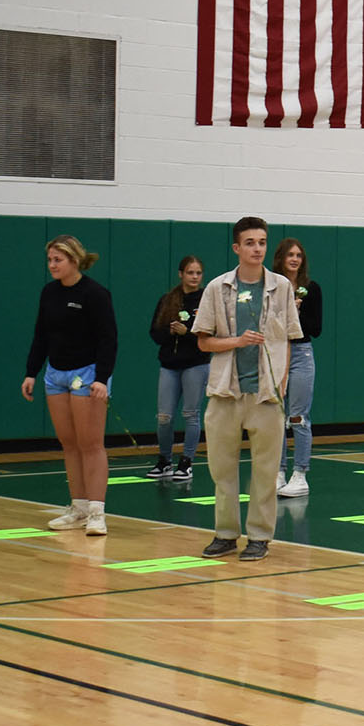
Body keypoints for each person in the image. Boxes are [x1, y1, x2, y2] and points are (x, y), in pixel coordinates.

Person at [193, 217, 301, 562]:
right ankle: (225, 534)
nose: (257, 248)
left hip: (266, 393)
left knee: (266, 470)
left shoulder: (282, 287)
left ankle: (259, 536)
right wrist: (236, 342)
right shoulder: (216, 287)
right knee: (222, 468)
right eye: (250, 242)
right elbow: (204, 343)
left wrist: (280, 384)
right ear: (237, 248)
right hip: (225, 391)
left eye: (262, 242)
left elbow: (288, 339)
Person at [22, 235, 119, 536]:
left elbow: (108, 339)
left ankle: (97, 512)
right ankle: (78, 507)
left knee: (91, 444)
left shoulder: (95, 294)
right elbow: (41, 335)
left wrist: (102, 378)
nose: (52, 265)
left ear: (74, 261)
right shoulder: (49, 293)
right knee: (69, 443)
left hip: (87, 374)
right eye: (49, 260)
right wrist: (31, 372)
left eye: (57, 260)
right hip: (55, 375)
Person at [147, 256, 207, 482]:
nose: (194, 277)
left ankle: (187, 462)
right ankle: (165, 460)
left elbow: (210, 334)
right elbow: (154, 333)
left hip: (196, 364)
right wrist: (170, 332)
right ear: (181, 274)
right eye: (190, 272)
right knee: (164, 416)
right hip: (169, 366)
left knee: (191, 414)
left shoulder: (206, 300)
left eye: (198, 273)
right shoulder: (168, 300)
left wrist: (188, 333)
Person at [273, 237, 323, 499]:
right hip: (276, 352)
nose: (294, 259)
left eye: (298, 255)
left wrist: (297, 313)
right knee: (276, 417)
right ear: (281, 258)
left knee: (297, 416)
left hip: (301, 353)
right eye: (290, 255)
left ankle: (300, 473)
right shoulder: (271, 287)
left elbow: (316, 328)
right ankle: (278, 471)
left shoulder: (311, 289)